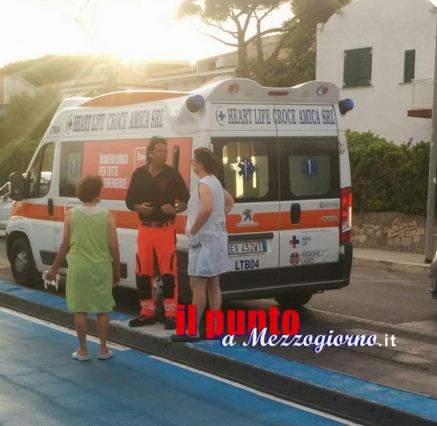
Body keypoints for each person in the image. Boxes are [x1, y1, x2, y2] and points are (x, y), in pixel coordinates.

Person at [46, 175, 120, 361]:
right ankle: (103, 349)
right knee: (103, 309)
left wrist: (54, 269)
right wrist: (116, 269)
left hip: (79, 267)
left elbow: (65, 245)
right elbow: (114, 245)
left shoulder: (71, 214)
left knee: (80, 310)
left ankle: (83, 350)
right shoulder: (107, 215)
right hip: (101, 267)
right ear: (98, 192)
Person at [125, 136, 190, 329]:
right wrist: (140, 208)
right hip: (145, 229)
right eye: (160, 151)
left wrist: (175, 209)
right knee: (143, 270)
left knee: (168, 271)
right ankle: (147, 311)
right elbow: (129, 201)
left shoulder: (171, 174)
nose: (163, 154)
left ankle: (171, 314)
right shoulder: (139, 174)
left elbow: (185, 200)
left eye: (165, 151)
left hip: (165, 229)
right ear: (151, 153)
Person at [172, 148, 233, 342]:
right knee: (214, 285)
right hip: (216, 239)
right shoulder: (215, 182)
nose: (191, 163)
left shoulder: (204, 184)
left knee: (197, 285)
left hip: (204, 242)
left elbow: (206, 208)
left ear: (200, 163)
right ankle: (214, 328)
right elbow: (230, 201)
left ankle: (193, 330)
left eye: (193, 160)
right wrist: (220, 218)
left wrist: (194, 229)